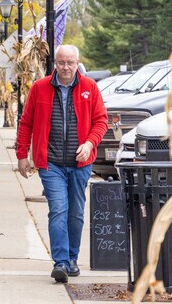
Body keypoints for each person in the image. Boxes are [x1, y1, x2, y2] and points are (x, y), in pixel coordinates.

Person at [16, 45, 107, 283]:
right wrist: (22, 155)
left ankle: (73, 258)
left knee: (75, 212)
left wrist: (89, 143)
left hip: (80, 164)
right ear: (54, 63)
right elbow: (26, 123)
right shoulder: (40, 88)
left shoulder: (90, 88)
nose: (66, 67)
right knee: (58, 209)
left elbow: (101, 122)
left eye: (70, 63)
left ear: (77, 63)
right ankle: (61, 262)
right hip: (51, 163)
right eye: (61, 62)